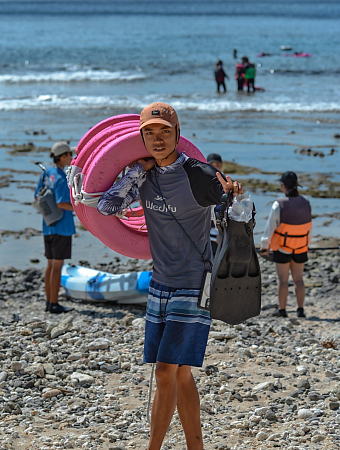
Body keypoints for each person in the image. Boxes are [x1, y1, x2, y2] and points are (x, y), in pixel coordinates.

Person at [97, 102, 243, 450]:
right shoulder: (143, 176)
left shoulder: (199, 174)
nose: (158, 138)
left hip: (194, 283)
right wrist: (135, 171)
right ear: (142, 137)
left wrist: (233, 193)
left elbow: (232, 206)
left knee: (164, 372)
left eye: (165, 131)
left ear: (177, 134)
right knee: (179, 374)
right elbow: (107, 207)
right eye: (150, 132)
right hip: (160, 282)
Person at [260, 171, 312, 318]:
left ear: (283, 186)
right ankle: (300, 310)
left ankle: (282, 310)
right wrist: (308, 244)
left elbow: (270, 227)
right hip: (301, 246)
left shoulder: (279, 204)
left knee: (283, 279)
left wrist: (265, 245)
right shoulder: (306, 202)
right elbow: (309, 227)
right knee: (299, 279)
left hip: (283, 248)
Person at [34, 142, 75, 314]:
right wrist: (79, 207)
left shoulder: (46, 174)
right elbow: (61, 203)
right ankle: (55, 304)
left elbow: (37, 196)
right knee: (57, 266)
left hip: (48, 225)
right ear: (63, 156)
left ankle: (49, 303)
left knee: (50, 265)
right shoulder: (60, 177)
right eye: (69, 155)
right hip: (62, 227)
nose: (71, 157)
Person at [207, 154, 223, 254]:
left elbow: (229, 210)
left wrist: (222, 233)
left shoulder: (226, 183)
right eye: (211, 164)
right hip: (203, 234)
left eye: (217, 164)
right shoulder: (200, 181)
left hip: (218, 234)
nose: (214, 167)